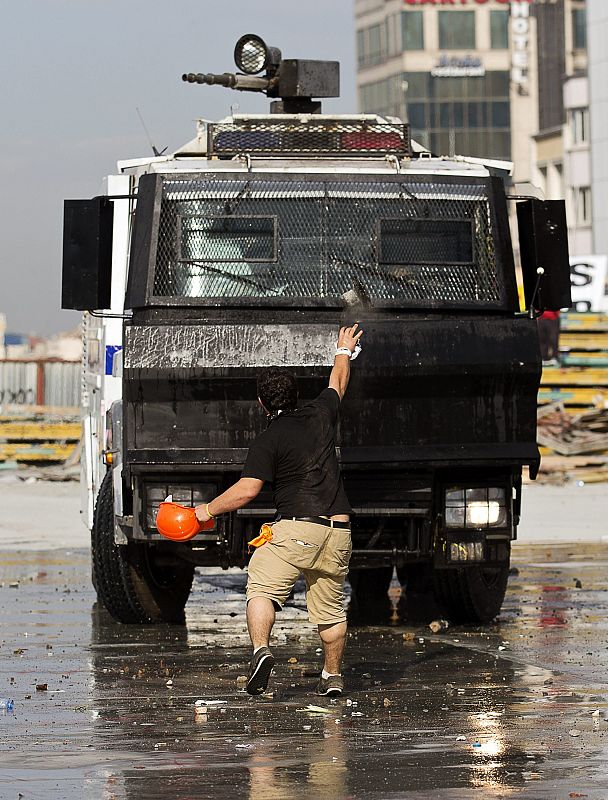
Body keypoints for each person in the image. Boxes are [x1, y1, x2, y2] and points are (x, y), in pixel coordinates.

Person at [195, 323, 363, 698]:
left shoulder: (268, 439)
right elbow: (338, 381)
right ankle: (332, 677)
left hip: (297, 529)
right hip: (339, 531)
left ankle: (261, 651)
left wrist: (205, 511)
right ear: (297, 395)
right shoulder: (321, 413)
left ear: (262, 403)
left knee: (261, 587)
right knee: (331, 609)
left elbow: (247, 490)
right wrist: (343, 349)